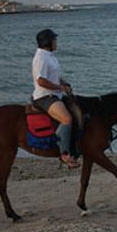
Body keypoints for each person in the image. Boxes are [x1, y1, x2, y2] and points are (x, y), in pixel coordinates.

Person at [31, 29, 78, 169]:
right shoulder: (40, 58)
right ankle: (64, 153)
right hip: (44, 97)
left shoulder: (49, 56)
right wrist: (60, 88)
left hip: (55, 94)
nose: (56, 43)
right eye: (54, 40)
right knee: (67, 119)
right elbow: (41, 81)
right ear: (48, 42)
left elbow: (54, 75)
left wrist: (64, 83)